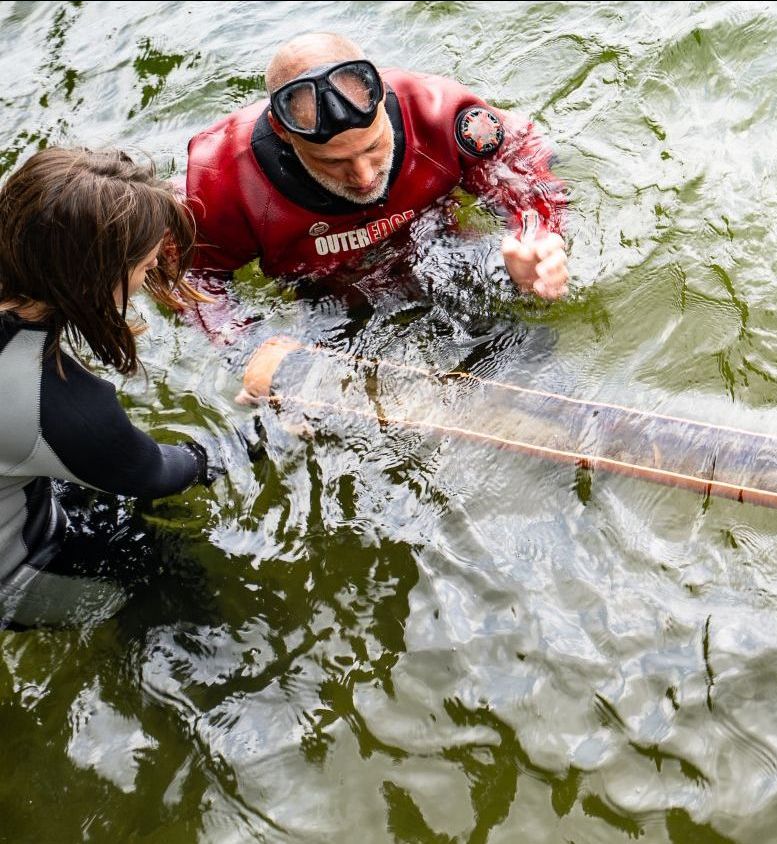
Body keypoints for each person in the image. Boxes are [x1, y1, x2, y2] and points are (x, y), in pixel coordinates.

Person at [183, 32, 571, 341]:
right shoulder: (224, 178)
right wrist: (251, 346)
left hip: (438, 247)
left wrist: (536, 234)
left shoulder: (436, 113)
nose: (365, 177)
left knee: (523, 335)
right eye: (333, 162)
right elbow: (196, 280)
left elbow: (524, 163)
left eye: (373, 147)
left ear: (384, 100)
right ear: (285, 133)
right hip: (327, 301)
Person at [0, 148, 217, 628]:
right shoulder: (65, 411)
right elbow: (160, 472)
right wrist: (249, 440)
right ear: (93, 278)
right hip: (17, 574)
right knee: (165, 574)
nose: (145, 281)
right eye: (144, 267)